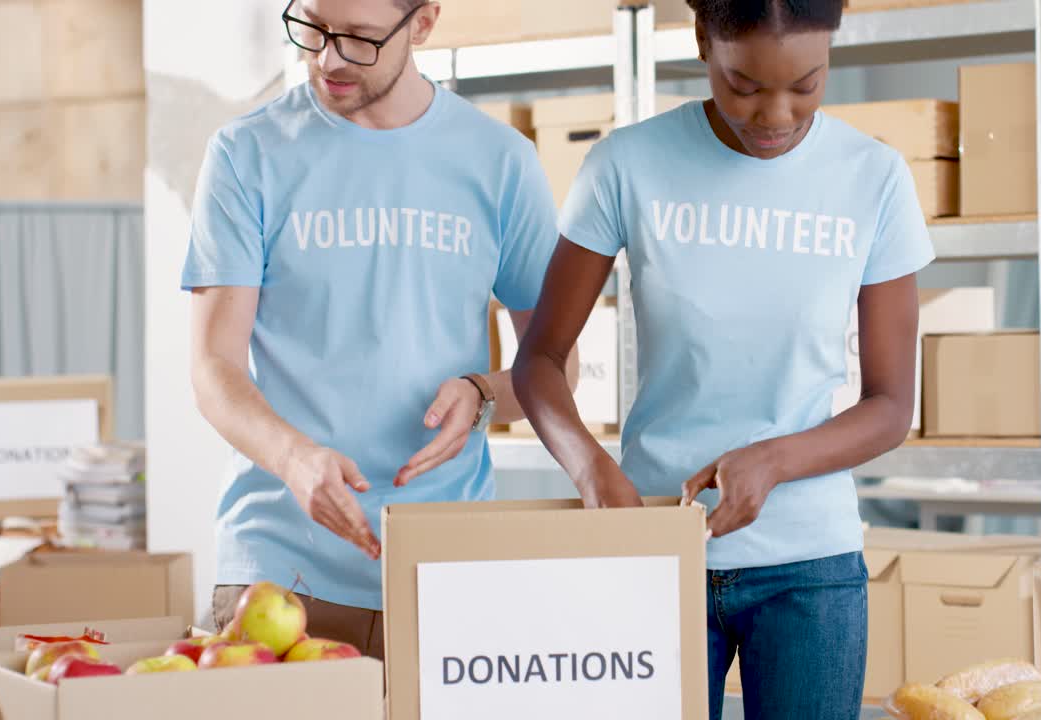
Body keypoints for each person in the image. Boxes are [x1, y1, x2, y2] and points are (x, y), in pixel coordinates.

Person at [512, 0, 935, 717]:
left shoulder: (875, 178)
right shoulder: (628, 163)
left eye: (806, 85)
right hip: (655, 546)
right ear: (703, 40)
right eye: (743, 86)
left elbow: (892, 407)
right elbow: (538, 360)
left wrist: (772, 460)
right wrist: (591, 467)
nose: (775, 115)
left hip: (811, 569)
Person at [184, 0, 571, 658]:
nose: (328, 58)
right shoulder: (246, 153)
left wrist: (481, 392)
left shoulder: (500, 161)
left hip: (446, 570)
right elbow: (213, 367)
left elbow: (552, 366)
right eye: (312, 27)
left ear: (422, 24)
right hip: (279, 569)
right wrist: (293, 459)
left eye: (360, 39)